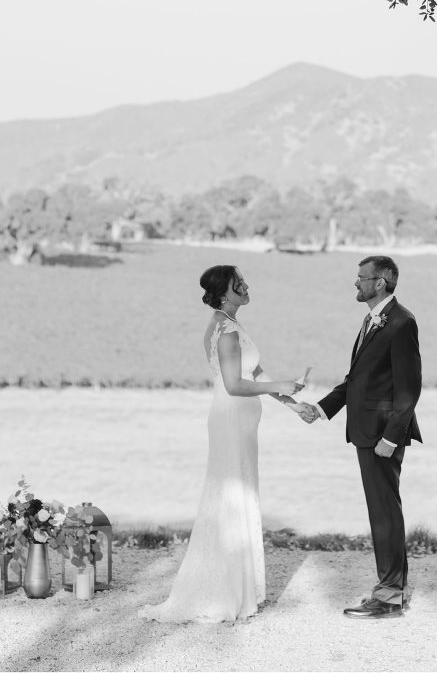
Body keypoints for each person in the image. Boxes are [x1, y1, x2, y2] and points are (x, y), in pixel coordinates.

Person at [138, 264, 307, 623]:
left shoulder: (233, 325)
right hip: (231, 420)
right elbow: (234, 384)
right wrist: (281, 385)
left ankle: (239, 589)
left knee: (239, 495)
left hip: (241, 422)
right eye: (238, 284)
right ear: (224, 294)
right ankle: (224, 593)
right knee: (230, 498)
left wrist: (293, 404)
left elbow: (256, 374)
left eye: (243, 281)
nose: (246, 286)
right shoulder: (225, 330)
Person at [297, 255, 422, 618]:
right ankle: (393, 590)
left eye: (361, 277)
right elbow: (357, 381)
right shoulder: (372, 320)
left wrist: (390, 438)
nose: (356, 282)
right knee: (383, 511)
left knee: (384, 514)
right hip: (367, 432)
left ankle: (388, 596)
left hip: (382, 436)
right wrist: (321, 409)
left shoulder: (401, 322)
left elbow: (409, 388)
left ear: (380, 282)